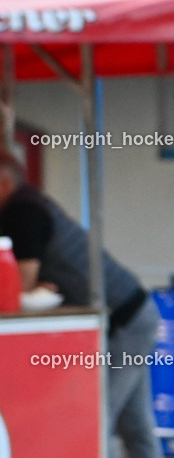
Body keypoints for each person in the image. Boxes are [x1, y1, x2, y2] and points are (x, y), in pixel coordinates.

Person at [0, 150, 162, 458]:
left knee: (100, 418)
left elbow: (22, 282)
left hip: (125, 321)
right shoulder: (30, 203)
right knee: (134, 422)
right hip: (135, 311)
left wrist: (32, 288)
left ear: (4, 183)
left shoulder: (21, 211)